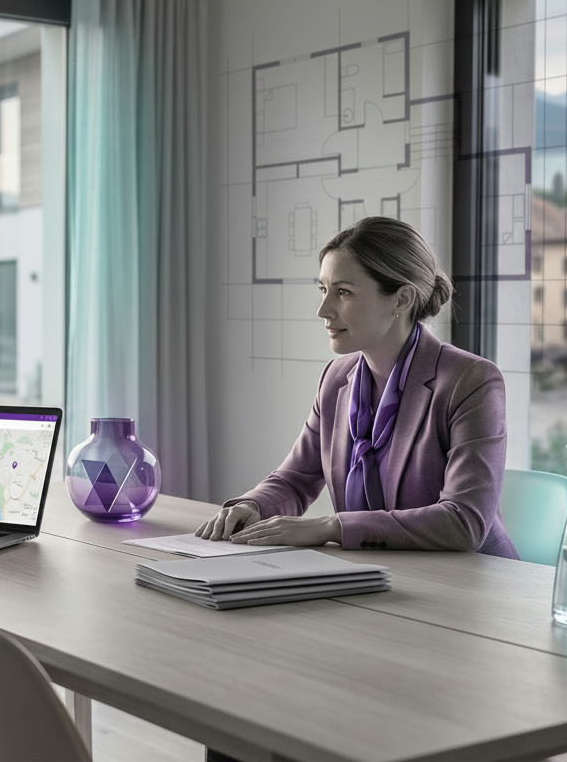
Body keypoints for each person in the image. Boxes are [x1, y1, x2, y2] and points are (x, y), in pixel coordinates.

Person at [196, 215, 518, 559]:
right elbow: (295, 478)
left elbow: (463, 522)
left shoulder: (471, 381)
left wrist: (332, 526)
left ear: (401, 299)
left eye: (343, 292)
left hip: (470, 585)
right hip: (377, 576)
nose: (324, 309)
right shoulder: (336, 378)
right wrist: (253, 505)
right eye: (323, 289)